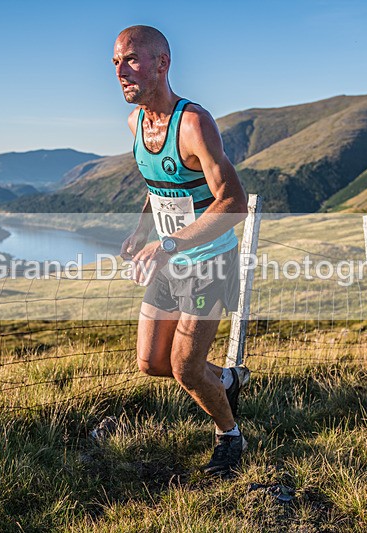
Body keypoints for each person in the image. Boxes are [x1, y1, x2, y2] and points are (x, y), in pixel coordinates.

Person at [112, 25, 250, 476]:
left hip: (208, 260)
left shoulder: (193, 124)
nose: (121, 71)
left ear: (162, 63)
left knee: (186, 369)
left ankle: (230, 436)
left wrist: (169, 242)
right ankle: (228, 378)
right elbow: (159, 187)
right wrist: (141, 230)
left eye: (131, 59)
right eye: (115, 63)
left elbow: (234, 202)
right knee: (153, 363)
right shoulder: (135, 124)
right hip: (170, 258)